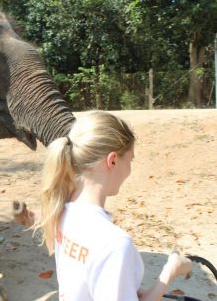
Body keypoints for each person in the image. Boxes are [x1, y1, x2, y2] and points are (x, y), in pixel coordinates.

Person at [33, 110, 192, 301]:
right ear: (113, 160)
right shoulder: (115, 243)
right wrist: (170, 271)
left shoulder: (61, 211)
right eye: (130, 160)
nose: (130, 170)